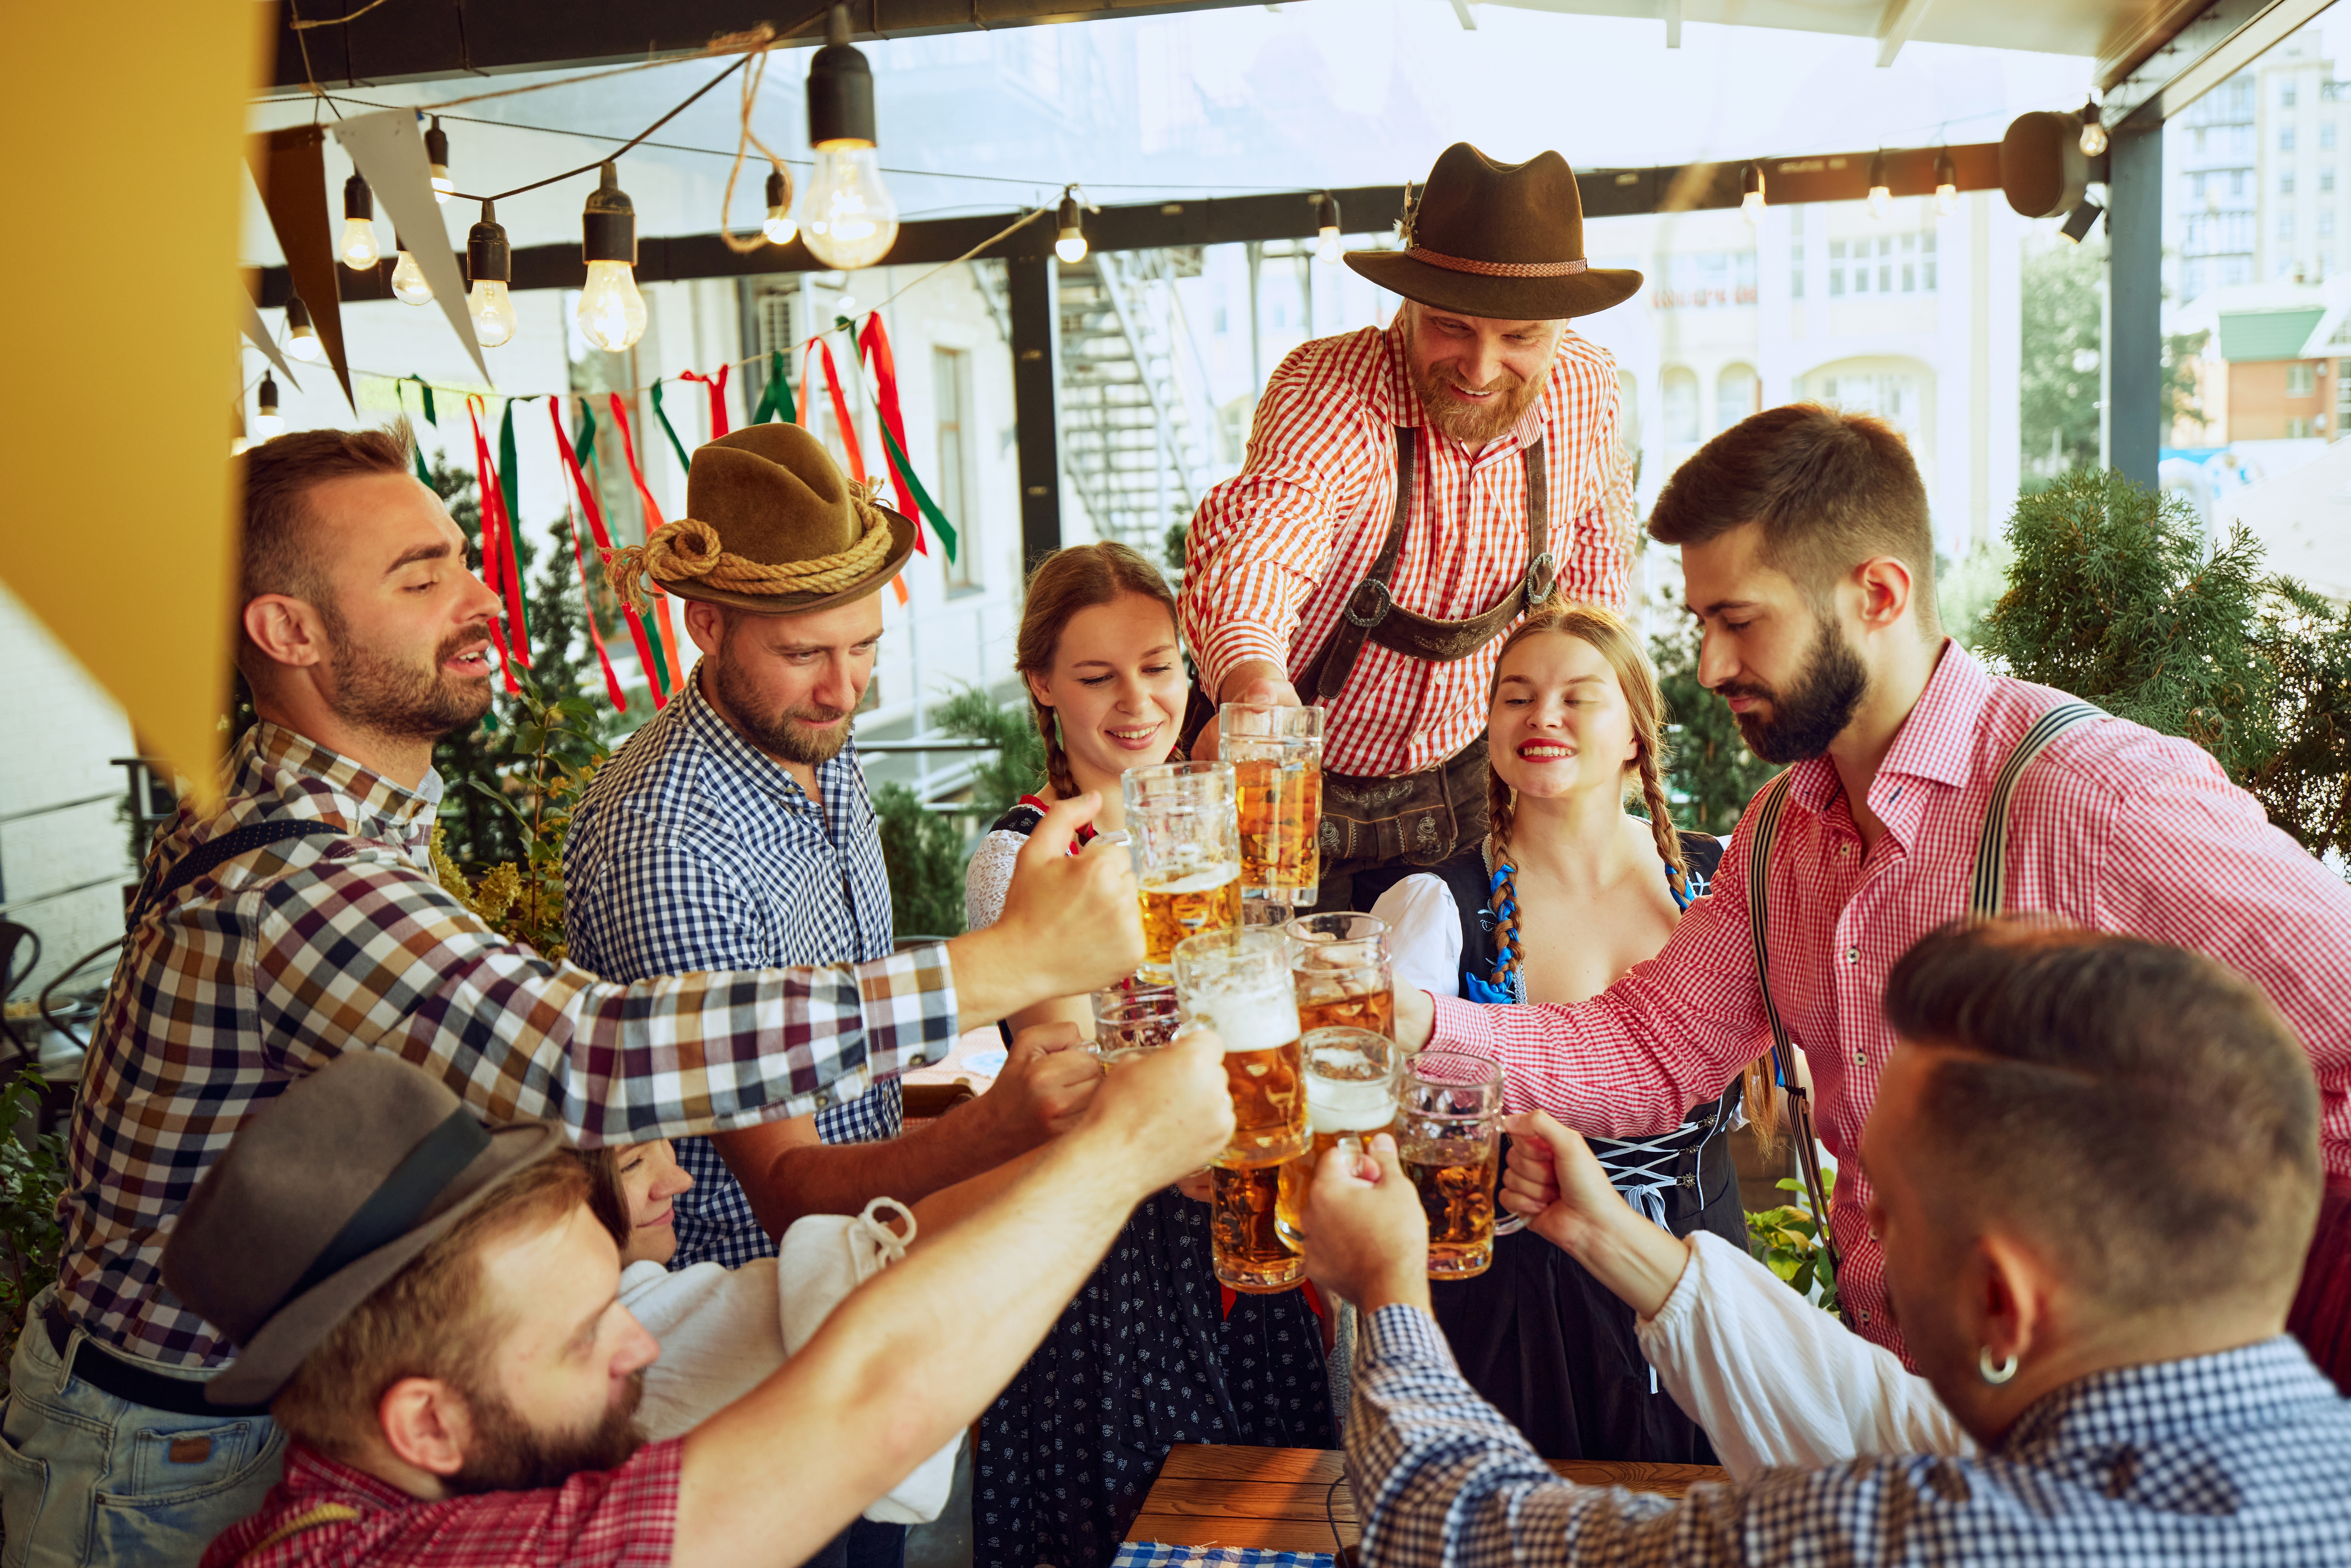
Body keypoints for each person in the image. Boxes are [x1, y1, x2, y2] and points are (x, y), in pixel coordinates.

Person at [7, 423, 1141, 1568]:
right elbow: (586, 1061)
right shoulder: (294, 886)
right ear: (288, 629)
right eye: (422, 575)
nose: (480, 595)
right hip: (173, 1452)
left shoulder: (331, 824)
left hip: (303, 1408)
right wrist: (1010, 966)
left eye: (460, 555)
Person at [1397, 403, 2351, 1368]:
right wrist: (1406, 1022)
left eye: (1740, 623)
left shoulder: (2092, 797)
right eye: (1701, 625)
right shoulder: (1778, 835)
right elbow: (1648, 1047)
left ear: (1879, 594)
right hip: (1904, 1405)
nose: (1710, 667)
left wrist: (2277, 1315)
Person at [1308, 920, 2351, 1564]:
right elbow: (1881, 1415)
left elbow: (1463, 1530)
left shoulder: (1912, 1536)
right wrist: (1611, 1237)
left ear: (2001, 1301)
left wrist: (1390, 1292)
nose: (1870, 1240)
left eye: (1884, 1206)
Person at [163, 1023, 1236, 1566]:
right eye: (587, 1334)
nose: (636, 1345)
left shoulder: (392, 1487)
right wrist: (1124, 1152)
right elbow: (865, 1407)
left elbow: (865, 1303)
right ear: (427, 1419)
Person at [565, 425, 1098, 1343]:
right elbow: (785, 1194)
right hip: (738, 1324)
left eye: (865, 647)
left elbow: (847, 1045)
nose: (843, 689)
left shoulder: (809, 730)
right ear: (705, 623)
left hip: (872, 1267)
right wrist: (992, 1128)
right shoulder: (670, 841)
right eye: (806, 652)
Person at [962, 543, 1335, 1568]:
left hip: (1249, 1243)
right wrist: (1268, 1175)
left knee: (1279, 1536)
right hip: (1113, 1270)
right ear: (1040, 683)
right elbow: (1067, 1083)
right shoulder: (1026, 854)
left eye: (1160, 665)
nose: (1138, 701)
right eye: (1096, 676)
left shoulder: (1238, 828)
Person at [1180, 142, 1639, 906]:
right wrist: (1253, 684)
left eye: (1519, 337)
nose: (1480, 368)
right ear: (1408, 303)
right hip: (1280, 781)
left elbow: (1597, 553)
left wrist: (1588, 721)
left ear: (1562, 326)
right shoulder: (1332, 389)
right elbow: (1260, 543)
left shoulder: (1585, 387)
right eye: (1451, 326)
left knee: (1450, 1016)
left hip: (1461, 792)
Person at [1356, 603, 1757, 1463]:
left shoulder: (1724, 879)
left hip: (1704, 1270)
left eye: (1578, 696)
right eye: (1516, 696)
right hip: (1513, 1301)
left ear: (1635, 735)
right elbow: (1371, 1133)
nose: (1542, 715)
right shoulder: (1434, 907)